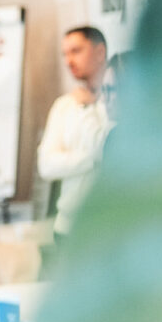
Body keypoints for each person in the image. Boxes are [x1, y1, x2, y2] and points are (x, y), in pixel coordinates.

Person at [36, 25, 111, 241]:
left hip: (107, 229)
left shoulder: (117, 102)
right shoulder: (65, 105)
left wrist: (87, 109)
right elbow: (46, 165)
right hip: (67, 228)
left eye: (76, 51)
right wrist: (95, 160)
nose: (69, 61)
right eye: (65, 54)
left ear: (100, 52)